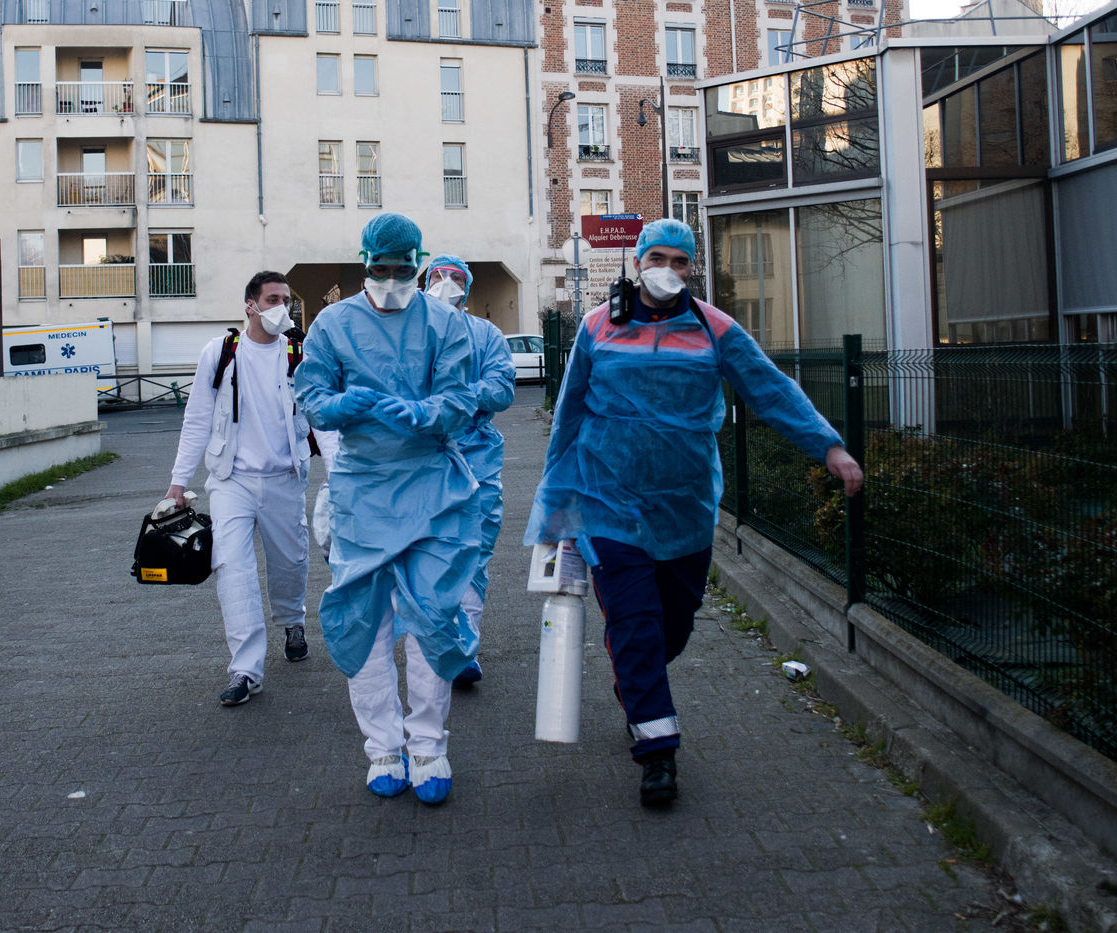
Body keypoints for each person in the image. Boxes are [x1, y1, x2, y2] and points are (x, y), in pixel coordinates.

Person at [524, 219, 864, 808]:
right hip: (610, 504)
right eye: (656, 258)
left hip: (685, 508)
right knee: (634, 622)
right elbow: (570, 413)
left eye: (679, 261)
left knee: (673, 625)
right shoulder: (597, 326)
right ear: (637, 262)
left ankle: (636, 679)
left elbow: (769, 389)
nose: (668, 270)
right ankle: (657, 751)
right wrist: (557, 499)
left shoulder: (714, 327)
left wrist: (828, 447)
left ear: (691, 268)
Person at [295, 213, 481, 805]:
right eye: (382, 269)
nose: (393, 280)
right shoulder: (333, 323)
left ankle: (428, 745)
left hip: (431, 487)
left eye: (404, 269)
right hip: (362, 490)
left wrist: (428, 414)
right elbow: (311, 395)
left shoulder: (445, 323)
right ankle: (382, 747)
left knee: (432, 618)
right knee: (364, 621)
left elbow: (461, 397)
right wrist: (342, 406)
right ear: (365, 264)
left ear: (419, 264)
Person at [165, 270, 337, 707]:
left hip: (284, 478)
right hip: (232, 481)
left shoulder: (299, 354)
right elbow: (197, 419)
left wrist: (339, 476)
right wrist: (178, 483)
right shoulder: (221, 353)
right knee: (232, 568)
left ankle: (293, 623)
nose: (283, 307)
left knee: (290, 563)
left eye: (286, 299)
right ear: (251, 305)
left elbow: (321, 417)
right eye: (273, 299)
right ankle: (245, 669)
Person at [423, 254, 517, 688]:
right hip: (422, 459)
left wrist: (458, 394)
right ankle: (439, 641)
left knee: (474, 554)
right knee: (432, 554)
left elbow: (501, 390)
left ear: (468, 287)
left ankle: (464, 649)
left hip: (478, 457)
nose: (446, 283)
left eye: (455, 278)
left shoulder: (486, 335)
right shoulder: (409, 335)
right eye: (438, 277)